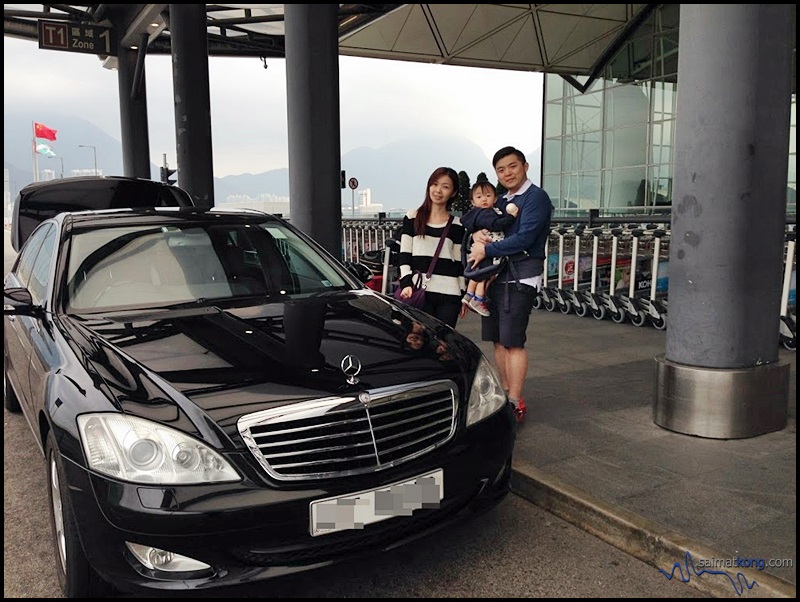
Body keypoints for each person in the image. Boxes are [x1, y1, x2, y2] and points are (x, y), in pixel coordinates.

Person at [467, 147, 553, 423]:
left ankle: (515, 401)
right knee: (498, 340)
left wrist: (486, 251)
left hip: (520, 276)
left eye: (512, 166)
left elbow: (525, 238)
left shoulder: (536, 197)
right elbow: (491, 228)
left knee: (513, 340)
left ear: (525, 166)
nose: (507, 173)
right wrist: (479, 234)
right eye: (501, 170)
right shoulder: (501, 199)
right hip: (496, 275)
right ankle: (504, 393)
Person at [396, 167, 468, 328]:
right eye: (435, 184)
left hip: (450, 295)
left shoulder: (457, 225)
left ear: (454, 192)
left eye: (445, 186)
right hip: (419, 292)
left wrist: (464, 295)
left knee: (444, 346)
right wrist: (406, 283)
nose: (438, 190)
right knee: (419, 342)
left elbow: (458, 264)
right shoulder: (413, 217)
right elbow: (405, 255)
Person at [460, 181, 518, 317]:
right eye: (479, 197)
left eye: (487, 195)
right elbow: (497, 225)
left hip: (479, 250)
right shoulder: (486, 213)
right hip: (488, 250)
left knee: (477, 272)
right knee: (485, 275)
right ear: (473, 201)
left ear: (495, 198)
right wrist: (511, 217)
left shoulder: (475, 214)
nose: (484, 199)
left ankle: (468, 295)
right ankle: (478, 299)